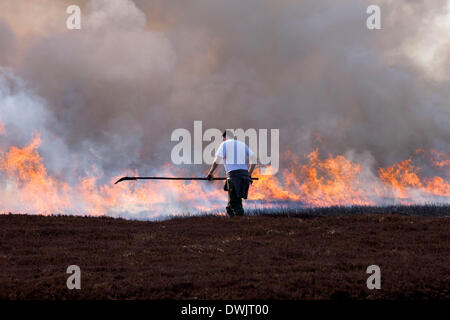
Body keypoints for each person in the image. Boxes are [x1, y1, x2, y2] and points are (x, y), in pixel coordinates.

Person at [206, 130, 256, 217]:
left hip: (233, 176)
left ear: (225, 137)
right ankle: (232, 222)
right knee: (231, 204)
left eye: (223, 139)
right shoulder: (242, 145)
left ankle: (240, 223)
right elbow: (254, 160)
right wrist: (249, 173)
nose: (222, 140)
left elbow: (216, 161)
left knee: (235, 202)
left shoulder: (224, 144)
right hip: (244, 176)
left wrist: (210, 173)